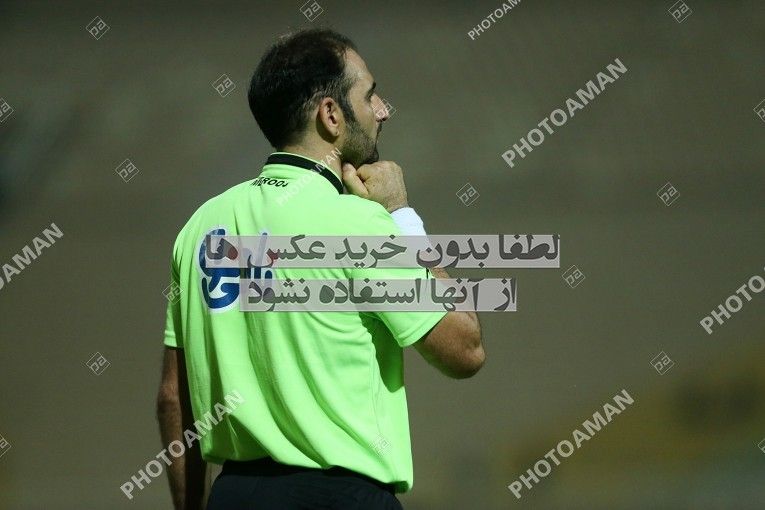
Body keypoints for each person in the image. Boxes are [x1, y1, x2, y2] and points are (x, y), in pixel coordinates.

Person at [156, 28, 484, 510]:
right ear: (331, 114)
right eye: (369, 95)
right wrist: (402, 216)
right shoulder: (359, 224)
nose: (383, 110)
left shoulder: (200, 227)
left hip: (235, 495)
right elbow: (465, 349)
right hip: (339, 497)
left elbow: (173, 397)